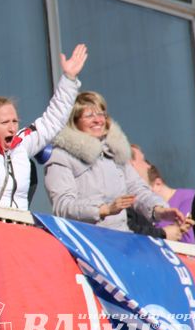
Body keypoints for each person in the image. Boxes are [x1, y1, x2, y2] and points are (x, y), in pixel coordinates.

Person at [0, 35, 88, 210]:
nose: (12, 127)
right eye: (4, 122)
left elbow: (52, 121)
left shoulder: (20, 147)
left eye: (15, 121)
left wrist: (69, 79)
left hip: (14, 231)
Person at [44, 91, 185, 232]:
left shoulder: (114, 151)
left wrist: (160, 210)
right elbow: (62, 206)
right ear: (74, 122)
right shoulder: (61, 156)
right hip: (85, 240)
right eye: (89, 115)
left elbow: (137, 190)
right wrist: (104, 209)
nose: (98, 120)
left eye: (101, 114)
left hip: (120, 238)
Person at [129, 145, 195, 243]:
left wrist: (176, 230)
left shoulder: (188, 199)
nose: (148, 166)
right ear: (130, 164)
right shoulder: (127, 203)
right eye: (143, 160)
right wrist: (164, 233)